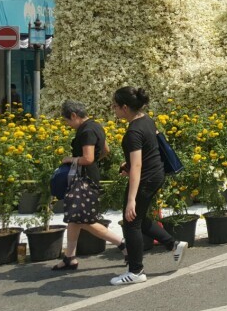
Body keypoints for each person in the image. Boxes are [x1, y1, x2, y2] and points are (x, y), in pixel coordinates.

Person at [110, 86, 186, 285]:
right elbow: (149, 150)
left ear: (125, 108)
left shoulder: (133, 132)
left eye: (115, 106)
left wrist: (131, 200)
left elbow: (137, 166)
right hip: (155, 174)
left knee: (131, 221)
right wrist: (127, 165)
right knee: (138, 219)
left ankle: (136, 271)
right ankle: (173, 244)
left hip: (145, 178)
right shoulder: (146, 120)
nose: (113, 109)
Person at [52, 100, 125, 272]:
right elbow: (105, 150)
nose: (68, 125)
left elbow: (88, 158)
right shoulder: (96, 126)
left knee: (85, 220)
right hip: (88, 176)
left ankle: (123, 244)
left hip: (83, 180)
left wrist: (70, 160)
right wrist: (91, 164)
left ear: (74, 116)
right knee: (74, 218)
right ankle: (70, 257)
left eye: (67, 121)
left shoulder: (86, 131)